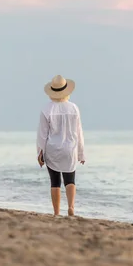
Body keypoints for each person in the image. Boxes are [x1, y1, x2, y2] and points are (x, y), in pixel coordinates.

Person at [36, 74, 85, 216]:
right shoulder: (74, 108)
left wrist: (40, 153)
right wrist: (81, 153)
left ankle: (56, 213)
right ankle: (71, 207)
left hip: (52, 149)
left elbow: (42, 134)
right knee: (70, 179)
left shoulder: (46, 109)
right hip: (70, 149)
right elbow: (79, 132)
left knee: (55, 181)